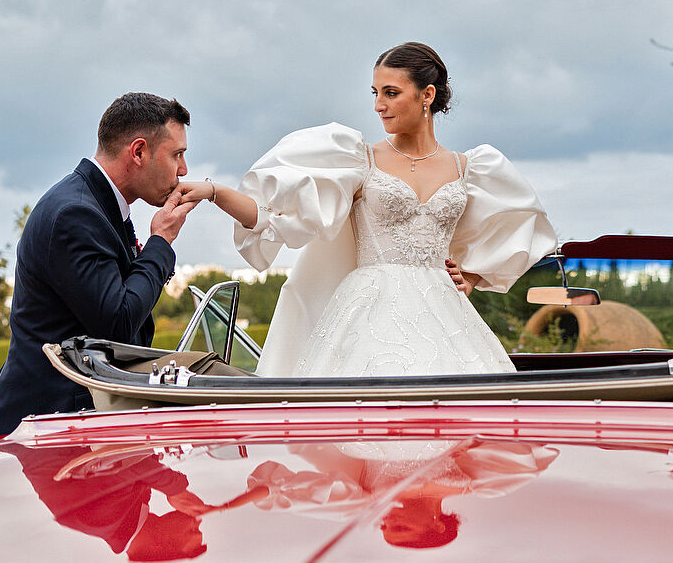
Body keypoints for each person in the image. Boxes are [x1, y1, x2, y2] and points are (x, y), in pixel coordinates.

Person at [187, 42, 556, 376]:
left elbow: (517, 227)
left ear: (427, 95)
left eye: (391, 93)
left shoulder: (470, 168)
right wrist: (214, 191)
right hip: (367, 316)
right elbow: (274, 215)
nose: (378, 105)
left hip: (446, 314)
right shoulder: (358, 159)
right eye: (376, 93)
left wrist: (472, 277)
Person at [0, 93, 197, 436]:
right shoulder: (76, 214)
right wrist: (161, 242)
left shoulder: (96, 205)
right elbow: (119, 321)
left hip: (73, 427)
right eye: (177, 155)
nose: (184, 170)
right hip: (49, 429)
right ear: (139, 152)